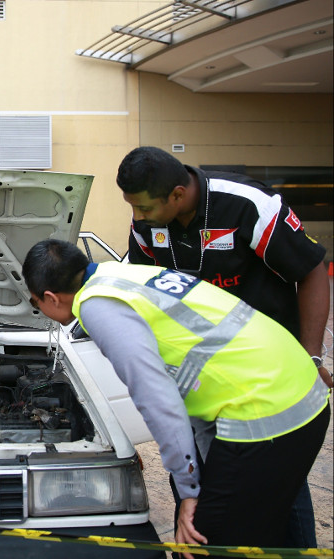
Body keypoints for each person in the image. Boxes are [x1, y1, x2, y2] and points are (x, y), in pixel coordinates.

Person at [22, 239, 330, 556]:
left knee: (202, 542)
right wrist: (203, 480)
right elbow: (191, 377)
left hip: (266, 410)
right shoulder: (119, 276)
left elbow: (158, 401)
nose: (40, 311)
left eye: (36, 304)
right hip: (299, 388)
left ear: (50, 297)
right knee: (262, 529)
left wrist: (190, 491)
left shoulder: (97, 306)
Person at [116, 146, 330, 547]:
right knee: (192, 470)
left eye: (144, 208)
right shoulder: (147, 224)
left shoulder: (249, 206)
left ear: (177, 195)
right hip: (200, 376)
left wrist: (311, 355)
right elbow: (148, 292)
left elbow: (312, 270)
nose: (138, 219)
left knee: (280, 477)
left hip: (264, 372)